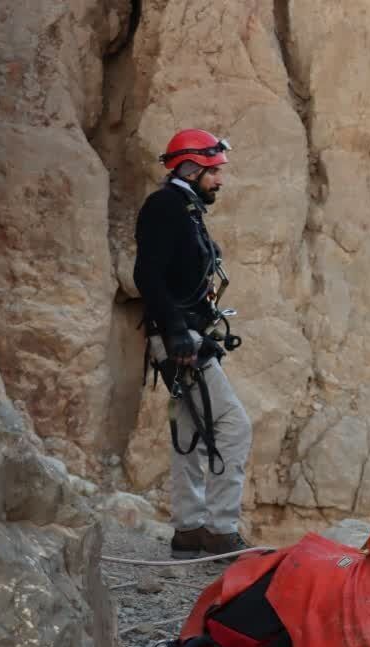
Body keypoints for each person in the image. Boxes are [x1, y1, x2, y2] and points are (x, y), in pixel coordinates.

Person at [134, 128, 253, 558]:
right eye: (214, 171)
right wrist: (176, 330)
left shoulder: (183, 208)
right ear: (190, 167)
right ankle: (220, 530)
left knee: (189, 430)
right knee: (234, 426)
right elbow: (146, 274)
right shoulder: (166, 207)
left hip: (183, 335)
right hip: (179, 337)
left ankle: (188, 529)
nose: (220, 180)